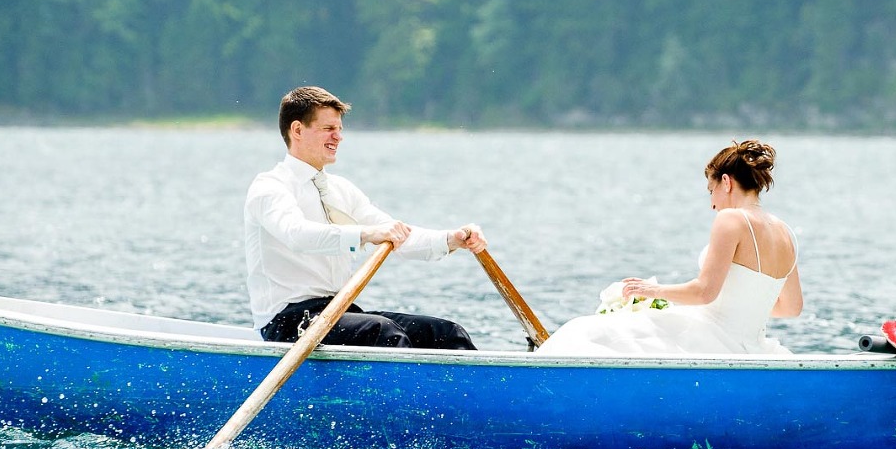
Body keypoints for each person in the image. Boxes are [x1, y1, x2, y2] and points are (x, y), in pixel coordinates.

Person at [245, 85, 487, 347]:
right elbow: (297, 235)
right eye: (328, 129)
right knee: (383, 333)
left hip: (338, 311)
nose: (338, 137)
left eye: (339, 129)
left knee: (445, 332)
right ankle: (404, 389)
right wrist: (365, 233)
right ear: (297, 130)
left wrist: (453, 239)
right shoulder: (270, 187)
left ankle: (477, 388)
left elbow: (396, 233)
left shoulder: (342, 190)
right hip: (286, 322)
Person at [538, 140, 802, 356]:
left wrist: (652, 290)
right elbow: (792, 308)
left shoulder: (731, 219)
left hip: (714, 340)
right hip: (754, 348)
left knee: (583, 331)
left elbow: (704, 293)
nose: (712, 203)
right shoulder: (786, 233)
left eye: (711, 190)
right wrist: (744, 305)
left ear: (726, 181)